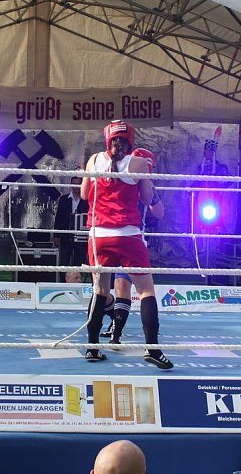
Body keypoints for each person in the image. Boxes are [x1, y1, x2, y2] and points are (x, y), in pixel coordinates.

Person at [81, 120, 172, 369]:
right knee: (146, 291)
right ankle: (152, 349)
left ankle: (91, 348)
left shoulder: (93, 160)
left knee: (100, 290)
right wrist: (148, 181)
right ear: (131, 140)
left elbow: (83, 194)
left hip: (99, 234)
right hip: (128, 234)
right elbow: (148, 201)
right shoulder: (139, 163)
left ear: (107, 139)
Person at [101, 148, 164, 345]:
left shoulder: (145, 183)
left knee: (123, 285)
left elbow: (159, 213)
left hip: (133, 238)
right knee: (101, 290)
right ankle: (115, 319)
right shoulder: (115, 177)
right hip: (109, 235)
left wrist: (151, 193)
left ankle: (117, 333)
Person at [53, 175, 90, 272]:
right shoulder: (64, 199)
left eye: (79, 184)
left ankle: (77, 282)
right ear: (71, 185)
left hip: (81, 236)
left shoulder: (87, 200)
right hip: (66, 234)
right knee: (64, 261)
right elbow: (58, 217)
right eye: (74, 184)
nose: (77, 187)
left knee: (79, 260)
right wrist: (56, 235)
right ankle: (63, 283)